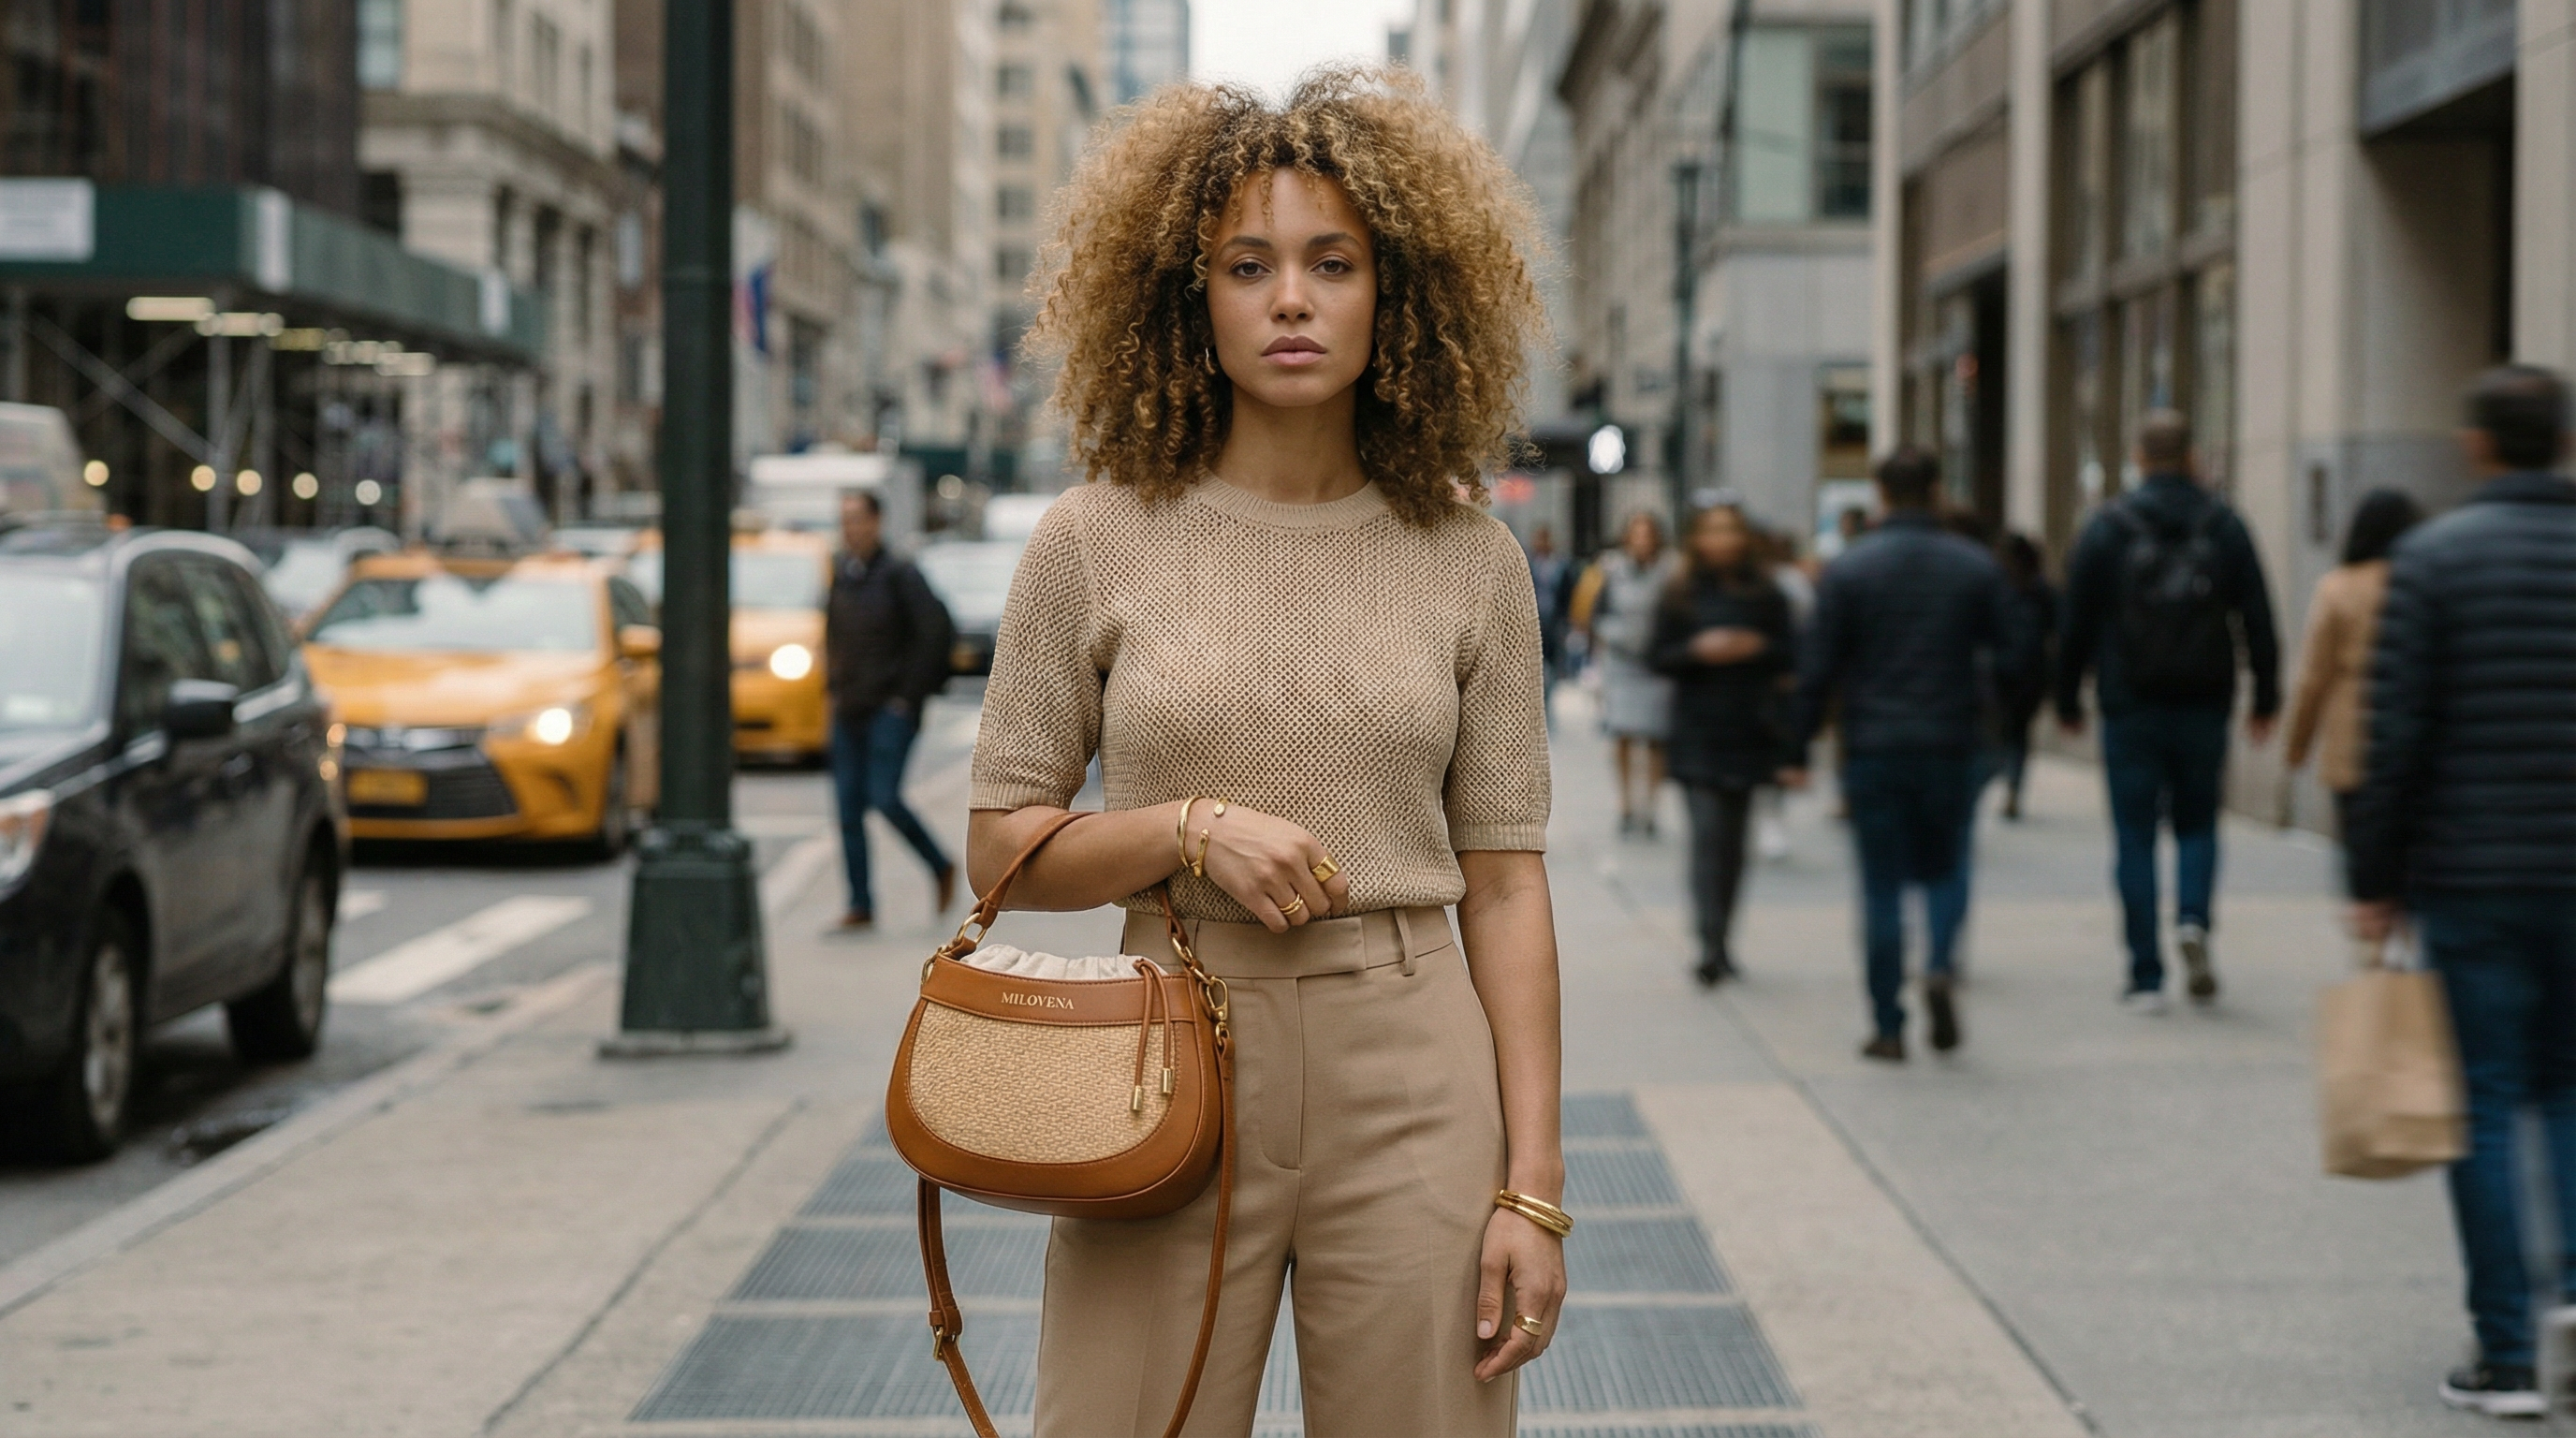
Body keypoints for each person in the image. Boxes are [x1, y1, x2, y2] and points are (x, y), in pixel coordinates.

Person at [967, 68, 1566, 1435]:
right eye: (1249, 264)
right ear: (1194, 298)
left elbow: (1513, 888)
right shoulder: (1091, 537)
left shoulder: (1473, 563)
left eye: (1329, 262)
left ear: (1393, 294)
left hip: (1413, 1060)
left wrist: (1532, 1188)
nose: (1290, 298)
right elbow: (1001, 853)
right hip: (1166, 1051)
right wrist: (1187, 828)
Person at [2344, 366, 2576, 1419]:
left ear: (2476, 442)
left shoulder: (2430, 562)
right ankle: (2572, 1310)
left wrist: (2375, 883)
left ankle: (2508, 1352)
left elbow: (2395, 742)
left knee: (2479, 1104)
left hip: (2473, 878)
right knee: (2570, 1093)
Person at [1789, 448, 2024, 1061]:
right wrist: (2003, 719)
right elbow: (2017, 654)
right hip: (1950, 740)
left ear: (1880, 494)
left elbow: (1817, 668)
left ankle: (1889, 1023)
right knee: (1946, 868)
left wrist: (1796, 744)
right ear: (1937, 491)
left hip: (1874, 744)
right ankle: (1941, 962)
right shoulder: (1974, 566)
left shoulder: (1850, 570)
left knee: (1882, 885)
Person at [2055, 409, 2280, 1012]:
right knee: (2198, 823)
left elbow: (2074, 620)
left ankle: (2145, 975)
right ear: (2191, 457)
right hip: (2205, 700)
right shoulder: (2224, 523)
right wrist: (2266, 695)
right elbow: (2257, 614)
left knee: (2133, 834)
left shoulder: (2107, 527)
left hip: (2130, 703)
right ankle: (2193, 920)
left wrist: (2065, 696)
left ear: (2137, 456)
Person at [1650, 505, 1796, 986]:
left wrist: (1753, 648)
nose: (1722, 539)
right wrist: (1699, 650)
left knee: (1735, 845)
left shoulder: (1765, 593)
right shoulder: (1680, 593)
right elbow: (1657, 655)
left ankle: (1725, 937)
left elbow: (1792, 654)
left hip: (1749, 730)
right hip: (1697, 732)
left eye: (1730, 529)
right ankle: (1708, 941)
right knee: (1707, 838)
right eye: (1712, 530)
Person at [823, 489, 958, 930]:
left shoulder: (900, 574)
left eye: (857, 519)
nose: (850, 529)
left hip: (888, 709)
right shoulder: (844, 573)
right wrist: (832, 686)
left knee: (883, 796)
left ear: (876, 522)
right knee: (847, 811)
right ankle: (860, 905)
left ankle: (939, 864)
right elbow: (834, 634)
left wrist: (908, 698)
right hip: (849, 708)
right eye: (844, 521)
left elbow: (937, 632)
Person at [2284, 490, 2421, 825]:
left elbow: (2313, 679)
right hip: (2414, 738)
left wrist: (2298, 744)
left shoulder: (2338, 587)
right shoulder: (2422, 583)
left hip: (2352, 742)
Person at [1590, 511, 1677, 835]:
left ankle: (1651, 806)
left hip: (1656, 664)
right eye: (1636, 534)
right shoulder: (1611, 570)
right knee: (1623, 734)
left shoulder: (1671, 571)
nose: (1642, 541)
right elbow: (1597, 613)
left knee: (1655, 738)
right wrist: (1616, 636)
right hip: (1621, 663)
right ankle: (1625, 803)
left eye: (1648, 534)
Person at [1993, 533, 2058, 820]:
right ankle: (2013, 786)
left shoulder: (1997, 587)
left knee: (2005, 733)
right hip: (2029, 673)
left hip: (2005, 672)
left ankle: (2009, 782)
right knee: (2017, 734)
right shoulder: (2041, 588)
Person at [1527, 523, 1573, 711]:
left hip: (1553, 622)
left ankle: (1547, 700)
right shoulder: (1528, 563)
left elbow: (1568, 594)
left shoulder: (1561, 566)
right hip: (1531, 620)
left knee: (1552, 663)